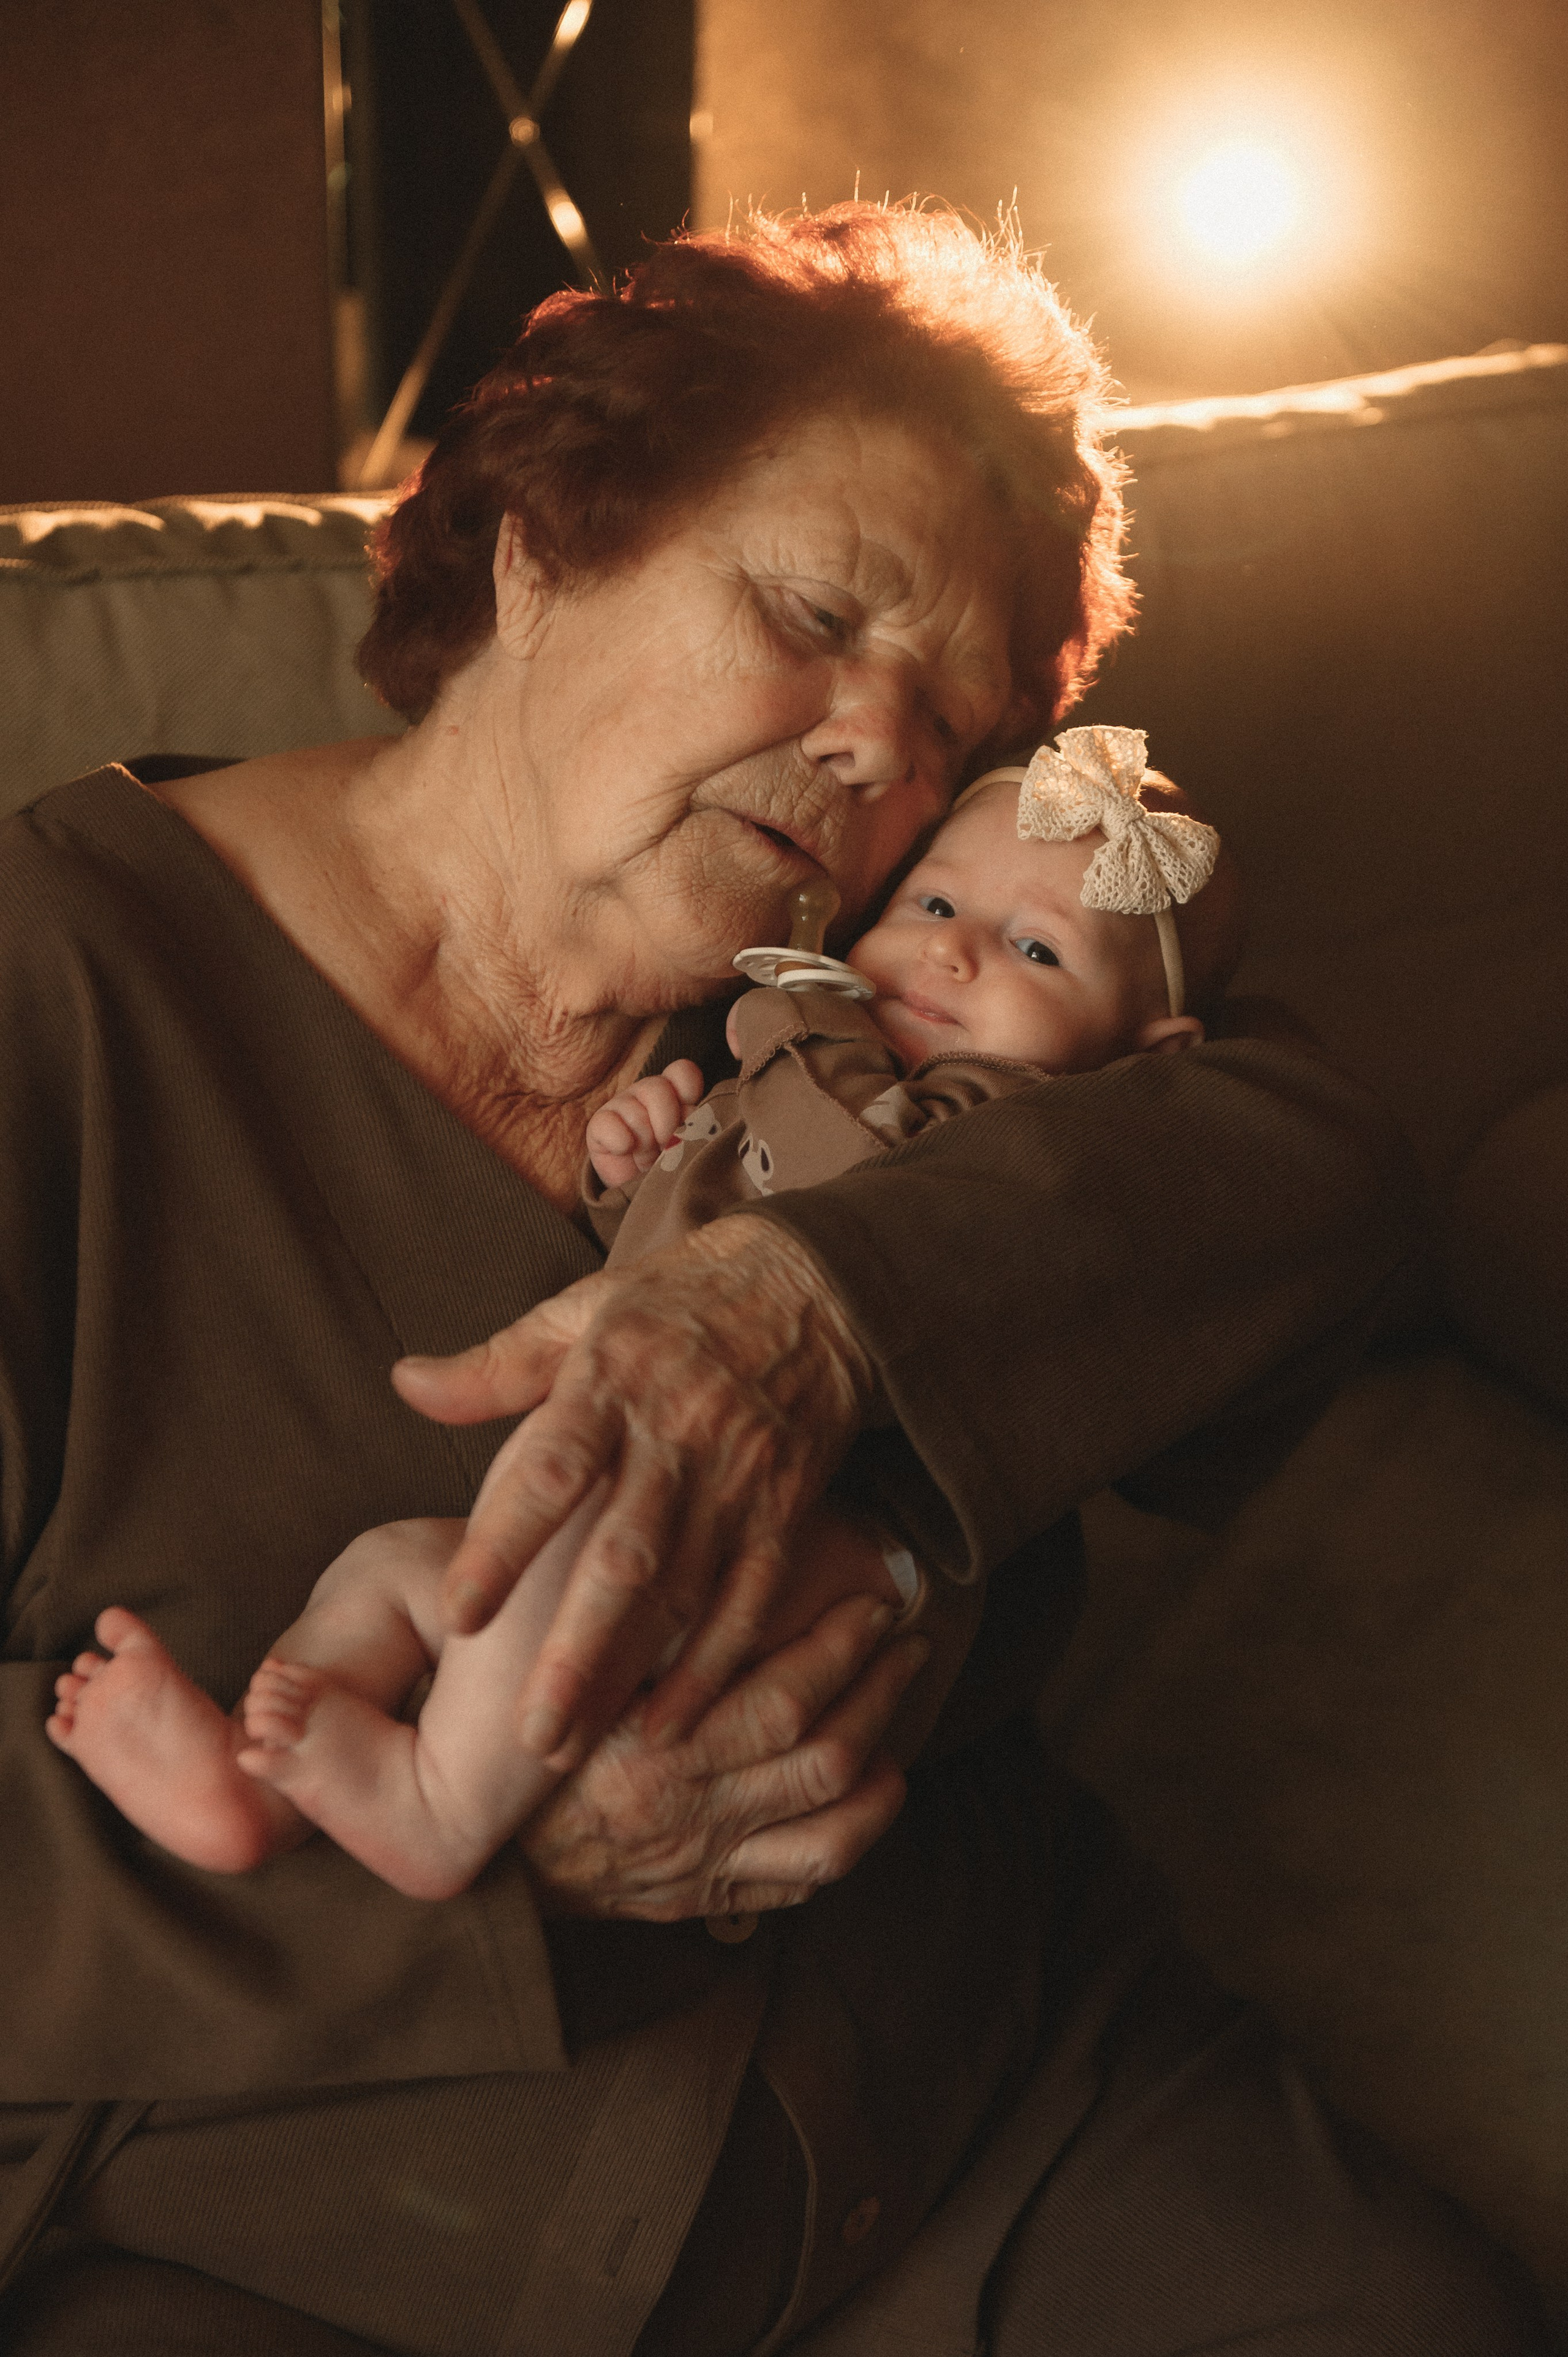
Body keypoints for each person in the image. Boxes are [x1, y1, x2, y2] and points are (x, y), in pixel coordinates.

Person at [0, 204, 1544, 2354]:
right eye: (813, 611)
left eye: (955, 723)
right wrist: (484, 1882)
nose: (873, 755)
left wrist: (808, 1308)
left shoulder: (875, 1028)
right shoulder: (52, 1004)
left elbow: (1311, 1165)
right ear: (544, 540)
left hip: (1008, 2111)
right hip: (338, 2243)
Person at [43, 730, 1234, 1901]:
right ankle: (260, 1787)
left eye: (1035, 948)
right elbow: (676, 1234)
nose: (955, 956)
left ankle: (440, 1810)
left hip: (810, 1541)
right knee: (395, 1566)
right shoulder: (813, 1048)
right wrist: (651, 1155)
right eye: (929, 906)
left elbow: (890, 1210)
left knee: (571, 1563)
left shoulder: (1010, 1132)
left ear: (1151, 1059)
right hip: (639, 1497)